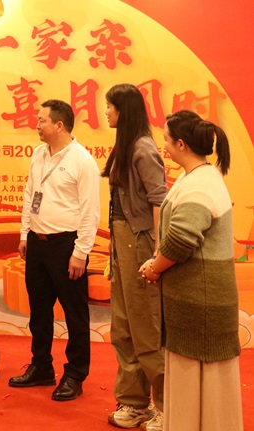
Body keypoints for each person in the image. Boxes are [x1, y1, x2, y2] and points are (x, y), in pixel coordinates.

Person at [139, 110, 243, 431]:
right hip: (195, 302)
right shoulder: (197, 176)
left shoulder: (199, 184)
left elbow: (182, 239)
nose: (164, 146)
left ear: (181, 144)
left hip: (201, 305)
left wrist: (155, 267)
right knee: (196, 389)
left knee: (203, 391)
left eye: (167, 140)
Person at [8, 99, 100, 401]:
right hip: (37, 243)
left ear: (59, 125)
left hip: (66, 245)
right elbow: (30, 194)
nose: (36, 125)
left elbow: (91, 212)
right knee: (39, 311)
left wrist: (80, 252)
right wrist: (25, 233)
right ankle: (41, 366)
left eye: (42, 120)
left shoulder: (82, 161)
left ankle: (75, 374)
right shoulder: (38, 153)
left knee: (75, 314)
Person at [103, 84, 166, 430]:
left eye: (110, 107)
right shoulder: (126, 144)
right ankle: (135, 403)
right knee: (123, 326)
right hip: (122, 240)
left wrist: (156, 251)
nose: (106, 113)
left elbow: (159, 201)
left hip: (140, 242)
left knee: (145, 326)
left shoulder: (142, 148)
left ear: (123, 110)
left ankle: (168, 406)